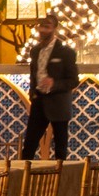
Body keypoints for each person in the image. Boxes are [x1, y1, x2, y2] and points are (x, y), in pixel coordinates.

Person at [20, 12, 79, 158]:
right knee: (29, 146)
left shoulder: (66, 52)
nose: (43, 30)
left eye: (47, 27)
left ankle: (60, 179)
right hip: (39, 101)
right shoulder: (35, 51)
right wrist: (32, 93)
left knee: (60, 148)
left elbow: (73, 80)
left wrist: (54, 83)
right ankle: (24, 178)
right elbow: (34, 74)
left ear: (54, 29)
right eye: (41, 26)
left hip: (58, 103)